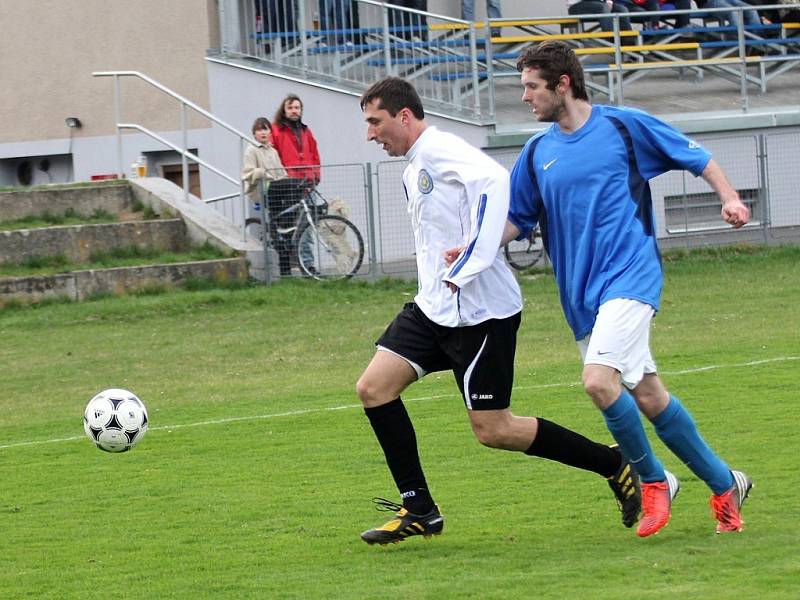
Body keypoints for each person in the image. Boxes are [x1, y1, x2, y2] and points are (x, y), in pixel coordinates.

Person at [356, 76, 643, 546]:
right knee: (373, 388)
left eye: (375, 122)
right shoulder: (414, 166)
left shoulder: (442, 148)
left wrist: (474, 257)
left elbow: (494, 180)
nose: (370, 134)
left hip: (482, 312)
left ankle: (612, 463)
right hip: (435, 306)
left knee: (494, 430)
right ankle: (420, 508)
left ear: (404, 116)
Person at [503, 40, 753, 537]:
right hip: (580, 297)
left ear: (563, 84)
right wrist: (470, 252)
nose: (525, 97)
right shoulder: (536, 152)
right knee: (649, 395)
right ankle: (727, 484)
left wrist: (729, 198)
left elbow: (697, 156)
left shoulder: (623, 125)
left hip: (631, 275)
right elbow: (515, 219)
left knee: (599, 382)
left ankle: (653, 481)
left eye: (532, 86)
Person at [241, 117, 305, 277]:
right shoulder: (251, 150)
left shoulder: (272, 150)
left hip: (276, 187)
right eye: (259, 129)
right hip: (262, 189)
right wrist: (262, 172)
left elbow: (281, 172)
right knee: (290, 185)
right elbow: (247, 173)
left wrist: (288, 178)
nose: (263, 132)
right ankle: (285, 221)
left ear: (270, 132)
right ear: (254, 133)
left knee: (298, 184)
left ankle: (285, 271)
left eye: (266, 129)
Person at [566, 0, 633, 32]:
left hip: (599, 3)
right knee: (603, 8)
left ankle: (629, 43)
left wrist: (609, 1)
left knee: (622, 9)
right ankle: (612, 39)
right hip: (576, 5)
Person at [694, 0, 761, 27]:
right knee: (733, 12)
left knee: (751, 10)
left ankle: (760, 43)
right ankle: (741, 44)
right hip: (709, 2)